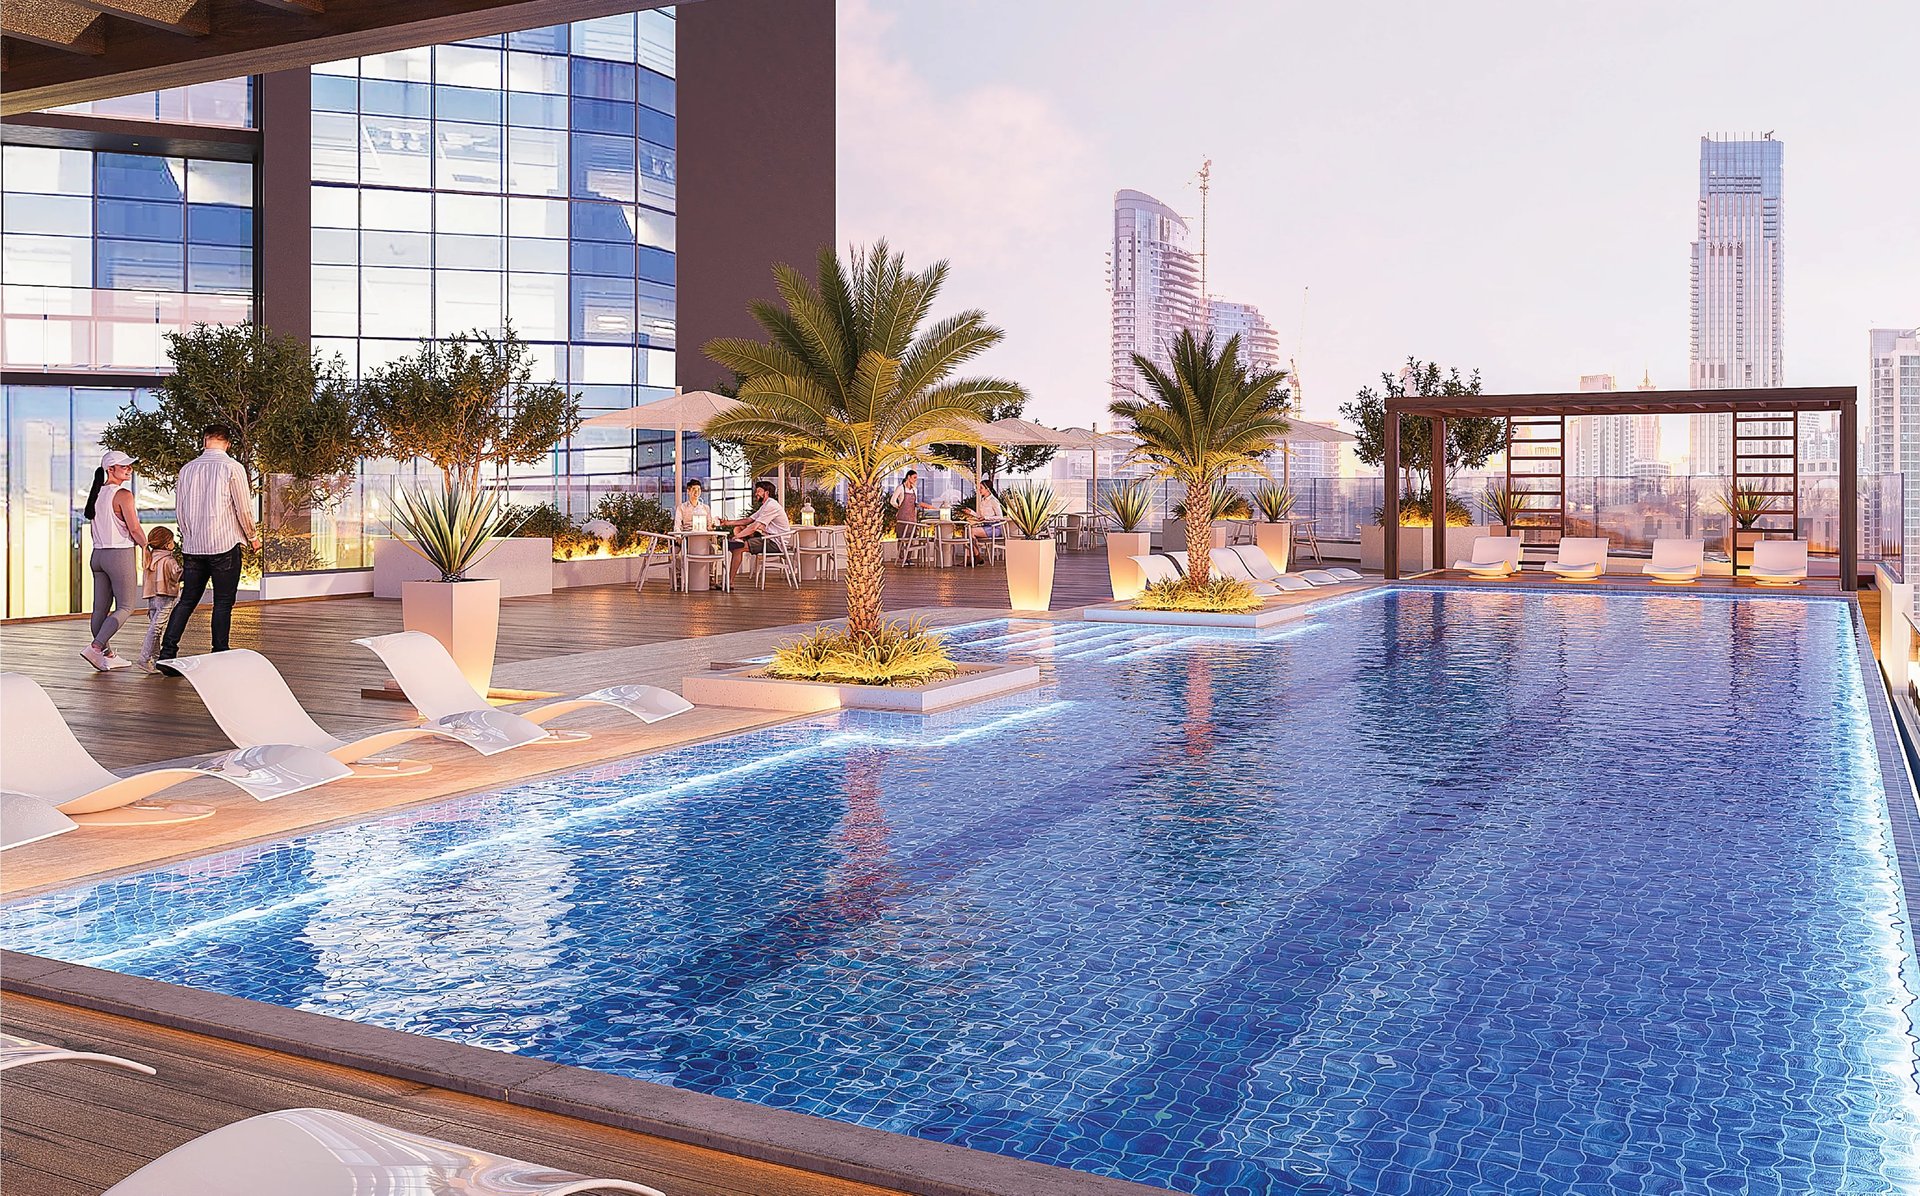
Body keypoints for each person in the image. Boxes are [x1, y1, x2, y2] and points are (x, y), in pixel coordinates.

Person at [156, 423, 260, 672]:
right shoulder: (232, 468)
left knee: (188, 600)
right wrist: (253, 536)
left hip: (194, 546)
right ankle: (220, 654)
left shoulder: (187, 469)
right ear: (228, 443)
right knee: (223, 602)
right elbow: (243, 508)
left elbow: (180, 510)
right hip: (223, 544)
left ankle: (167, 655)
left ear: (204, 440)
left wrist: (189, 537)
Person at [80, 449, 145, 671]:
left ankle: (106, 654)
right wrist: (148, 547)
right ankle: (96, 647)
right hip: (119, 554)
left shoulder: (96, 494)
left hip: (98, 555)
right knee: (127, 606)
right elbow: (134, 528)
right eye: (124, 466)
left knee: (100, 609)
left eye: (129, 465)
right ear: (110, 469)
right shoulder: (123, 495)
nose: (129, 469)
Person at [136, 526, 183, 674]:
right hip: (166, 597)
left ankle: (157, 660)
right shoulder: (168, 560)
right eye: (172, 541)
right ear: (166, 544)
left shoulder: (150, 557)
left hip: (152, 598)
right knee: (156, 629)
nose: (174, 544)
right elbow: (177, 575)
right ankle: (144, 658)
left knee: (155, 629)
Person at [722, 480, 792, 576]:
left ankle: (729, 582)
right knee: (739, 528)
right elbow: (748, 520)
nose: (756, 494)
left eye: (758, 491)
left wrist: (737, 536)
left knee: (738, 548)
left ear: (766, 493)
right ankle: (739, 542)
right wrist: (727, 522)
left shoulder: (771, 505)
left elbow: (754, 527)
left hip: (775, 542)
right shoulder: (766, 505)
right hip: (769, 538)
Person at [964, 478, 1004, 560]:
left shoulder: (993, 501)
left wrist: (986, 518)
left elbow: (1000, 517)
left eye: (981, 488)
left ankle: (976, 556)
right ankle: (972, 557)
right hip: (986, 527)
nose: (979, 490)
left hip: (994, 528)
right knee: (967, 531)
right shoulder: (983, 500)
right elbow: (980, 517)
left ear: (987, 489)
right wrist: (971, 512)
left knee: (970, 531)